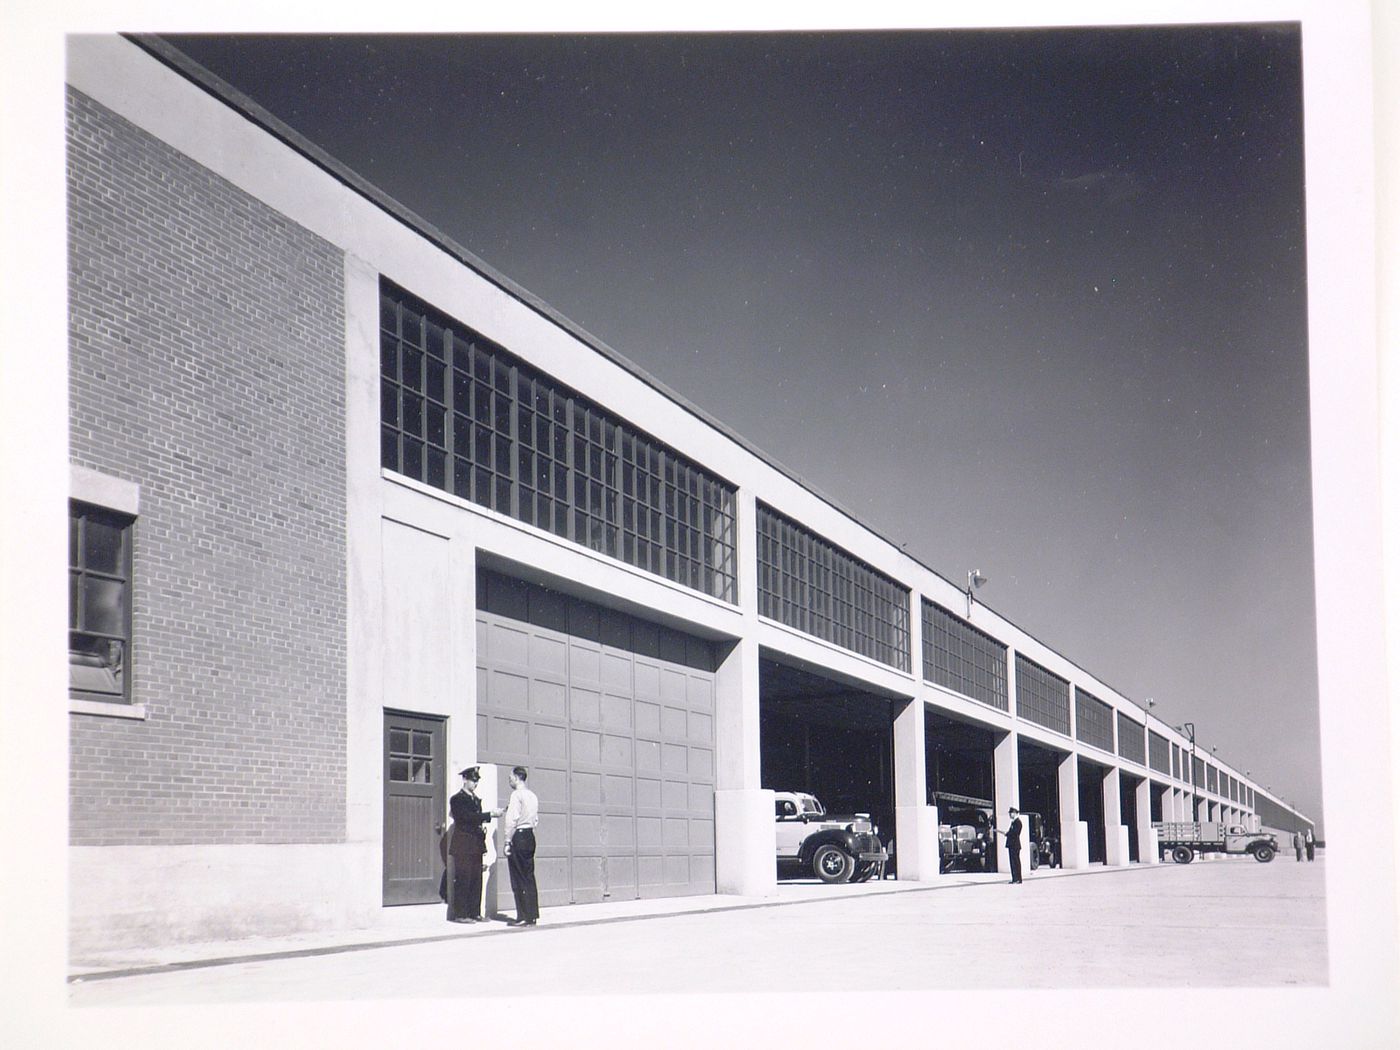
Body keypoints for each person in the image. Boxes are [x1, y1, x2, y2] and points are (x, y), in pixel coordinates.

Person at [445, 766, 497, 923]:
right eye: (473, 780)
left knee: (476, 879)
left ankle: (475, 912)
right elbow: (465, 818)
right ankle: (461, 914)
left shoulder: (475, 799)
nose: (475, 784)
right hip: (463, 844)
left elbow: (475, 819)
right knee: (463, 878)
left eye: (477, 781)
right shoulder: (457, 799)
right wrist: (489, 815)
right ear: (465, 780)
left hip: (475, 844)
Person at [501, 765, 541, 927]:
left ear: (517, 778)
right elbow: (535, 819)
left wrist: (507, 841)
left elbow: (511, 820)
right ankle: (532, 915)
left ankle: (523, 915)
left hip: (519, 837)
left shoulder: (516, 795)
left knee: (518, 877)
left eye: (511, 778)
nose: (509, 780)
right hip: (530, 835)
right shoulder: (532, 796)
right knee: (529, 876)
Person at [1002, 807, 1024, 884]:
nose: (1010, 815)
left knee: (1016, 862)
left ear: (1014, 813)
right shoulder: (1013, 822)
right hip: (1011, 845)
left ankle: (1018, 878)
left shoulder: (1018, 822)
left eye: (1011, 813)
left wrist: (1008, 833)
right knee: (1012, 862)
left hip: (1015, 845)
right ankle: (1014, 878)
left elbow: (1016, 833)